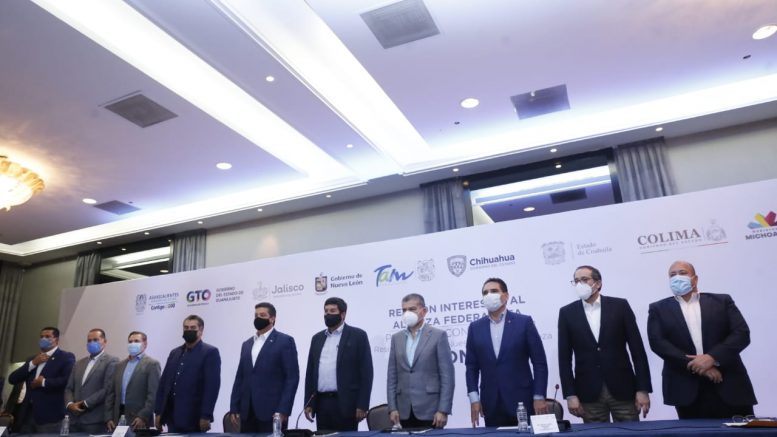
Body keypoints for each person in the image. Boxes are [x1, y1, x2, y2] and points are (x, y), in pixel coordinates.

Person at [647, 260, 757, 419]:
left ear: (695, 279)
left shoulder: (722, 301)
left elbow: (741, 334)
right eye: (672, 275)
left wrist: (712, 358)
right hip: (685, 388)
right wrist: (698, 366)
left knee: (742, 429)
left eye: (682, 273)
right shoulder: (658, 308)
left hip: (729, 383)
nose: (677, 277)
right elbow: (658, 343)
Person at [558, 266, 652, 422]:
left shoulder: (620, 306)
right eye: (576, 281)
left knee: (630, 432)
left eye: (584, 279)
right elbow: (564, 358)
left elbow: (638, 351)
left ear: (598, 283)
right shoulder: (567, 313)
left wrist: (643, 389)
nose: (580, 284)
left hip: (623, 389)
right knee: (595, 433)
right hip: (588, 393)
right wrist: (570, 394)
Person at [466, 278, 548, 427]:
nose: (489, 295)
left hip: (523, 402)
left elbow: (539, 363)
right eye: (485, 292)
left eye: (494, 291)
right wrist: (474, 399)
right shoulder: (475, 328)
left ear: (506, 296)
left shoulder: (524, 322)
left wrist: (539, 396)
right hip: (491, 404)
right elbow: (471, 367)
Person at [304, 297, 374, 431]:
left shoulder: (358, 336)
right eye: (326, 311)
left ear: (342, 314)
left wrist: (362, 405)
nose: (328, 314)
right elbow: (310, 373)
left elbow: (366, 373)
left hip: (347, 404)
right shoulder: (317, 338)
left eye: (332, 311)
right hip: (322, 404)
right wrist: (309, 403)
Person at [229, 303, 299, 433]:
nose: (258, 318)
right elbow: (240, 377)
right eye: (256, 315)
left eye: (262, 315)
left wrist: (284, 409)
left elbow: (292, 378)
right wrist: (234, 407)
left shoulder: (285, 341)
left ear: (272, 318)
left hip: (273, 413)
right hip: (247, 412)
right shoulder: (247, 344)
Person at [387, 293, 454, 429]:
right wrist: (392, 408)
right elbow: (392, 376)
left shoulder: (438, 336)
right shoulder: (396, 338)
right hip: (403, 411)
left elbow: (447, 376)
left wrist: (443, 410)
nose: (407, 313)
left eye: (412, 309)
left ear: (424, 311)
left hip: (431, 411)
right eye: (404, 310)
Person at [155, 315, 221, 432]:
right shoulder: (174, 353)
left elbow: (212, 387)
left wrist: (206, 415)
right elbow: (164, 383)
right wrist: (158, 411)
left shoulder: (210, 353)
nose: (188, 330)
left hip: (194, 418)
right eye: (186, 328)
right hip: (171, 415)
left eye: (193, 328)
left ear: (201, 330)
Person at [8, 326, 76, 433]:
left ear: (56, 340)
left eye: (48, 336)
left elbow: (67, 381)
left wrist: (43, 382)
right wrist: (33, 363)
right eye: (41, 337)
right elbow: (12, 379)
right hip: (27, 415)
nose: (43, 339)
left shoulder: (65, 357)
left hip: (50, 416)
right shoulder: (32, 359)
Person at [64, 328, 119, 433]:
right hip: (73, 419)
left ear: (104, 342)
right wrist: (70, 404)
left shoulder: (111, 361)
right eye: (89, 340)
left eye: (95, 340)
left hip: (94, 420)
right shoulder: (78, 363)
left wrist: (83, 404)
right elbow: (69, 388)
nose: (91, 343)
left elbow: (107, 389)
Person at [105, 331, 161, 431]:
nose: (132, 344)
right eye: (130, 342)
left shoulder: (152, 364)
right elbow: (111, 394)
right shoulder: (119, 365)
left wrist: (143, 416)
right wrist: (108, 417)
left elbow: (153, 395)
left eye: (136, 341)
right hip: (118, 418)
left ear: (145, 344)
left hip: (139, 420)